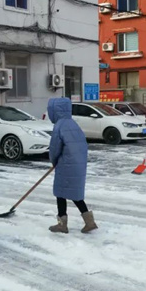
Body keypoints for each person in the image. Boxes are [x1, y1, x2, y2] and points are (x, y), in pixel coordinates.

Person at [47, 97, 97, 234]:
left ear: (54, 110)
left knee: (60, 193)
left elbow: (54, 148)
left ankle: (62, 225)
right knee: (75, 194)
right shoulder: (74, 124)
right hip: (77, 164)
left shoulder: (59, 126)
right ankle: (89, 221)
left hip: (65, 165)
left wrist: (54, 161)